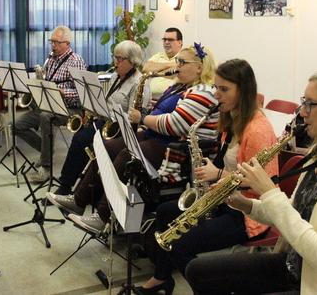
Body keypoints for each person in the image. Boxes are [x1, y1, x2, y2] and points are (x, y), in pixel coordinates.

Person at [186, 66, 317, 295]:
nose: (302, 113)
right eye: (304, 102)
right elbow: (293, 214)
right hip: (295, 268)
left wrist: (269, 192)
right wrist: (247, 205)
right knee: (198, 271)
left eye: (311, 104)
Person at [135, 59, 278, 295]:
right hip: (224, 200)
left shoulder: (258, 130)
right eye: (216, 88)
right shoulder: (231, 120)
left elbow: (266, 185)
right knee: (165, 212)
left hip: (248, 213)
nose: (217, 95)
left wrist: (219, 173)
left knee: (180, 245)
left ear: (242, 90)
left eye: (224, 90)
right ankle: (161, 279)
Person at [47, 43, 218, 233]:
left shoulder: (203, 91)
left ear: (200, 67)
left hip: (174, 147)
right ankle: (78, 200)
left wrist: (143, 119)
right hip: (155, 136)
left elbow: (173, 124)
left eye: (182, 62)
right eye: (177, 61)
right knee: (106, 147)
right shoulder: (181, 86)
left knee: (125, 156)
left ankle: (102, 217)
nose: (176, 65)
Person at [53, 40, 151, 195]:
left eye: (121, 59)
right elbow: (107, 102)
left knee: (98, 147)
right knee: (79, 139)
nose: (116, 62)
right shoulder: (115, 77)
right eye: (115, 57)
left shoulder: (139, 84)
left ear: (133, 62)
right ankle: (65, 185)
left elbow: (134, 116)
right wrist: (96, 109)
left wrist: (107, 114)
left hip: (121, 128)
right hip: (106, 122)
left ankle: (87, 190)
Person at [12, 25, 86, 182]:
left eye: (56, 42)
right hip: (50, 105)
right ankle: (46, 149)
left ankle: (46, 165)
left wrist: (63, 93)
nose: (53, 45)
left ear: (67, 43)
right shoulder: (51, 60)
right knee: (15, 125)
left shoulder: (76, 61)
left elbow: (82, 96)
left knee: (46, 116)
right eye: (51, 41)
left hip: (70, 109)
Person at [143, 28, 183, 99]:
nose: (166, 42)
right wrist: (169, 64)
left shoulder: (184, 57)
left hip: (170, 98)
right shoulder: (158, 56)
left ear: (179, 42)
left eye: (170, 40)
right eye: (164, 40)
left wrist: (154, 72)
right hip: (150, 97)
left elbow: (176, 73)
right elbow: (145, 68)